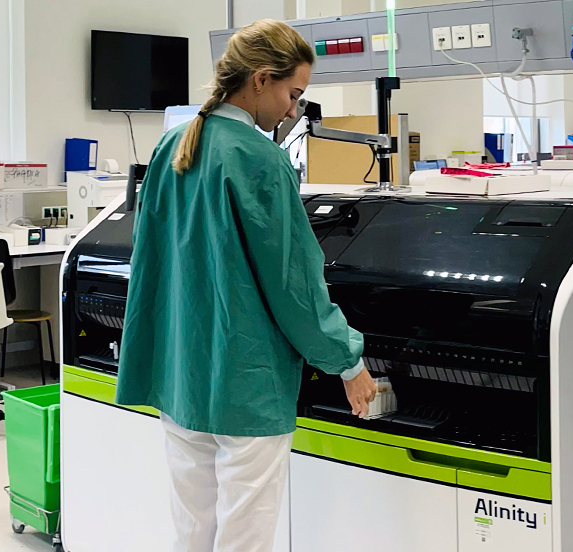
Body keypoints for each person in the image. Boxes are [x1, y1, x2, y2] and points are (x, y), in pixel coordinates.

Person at [113, 19, 377, 552]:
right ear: (260, 79)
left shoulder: (171, 148)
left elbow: (151, 262)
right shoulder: (261, 161)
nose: (292, 110)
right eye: (292, 93)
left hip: (181, 374)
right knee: (244, 537)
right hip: (245, 385)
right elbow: (295, 286)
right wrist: (348, 361)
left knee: (194, 527)